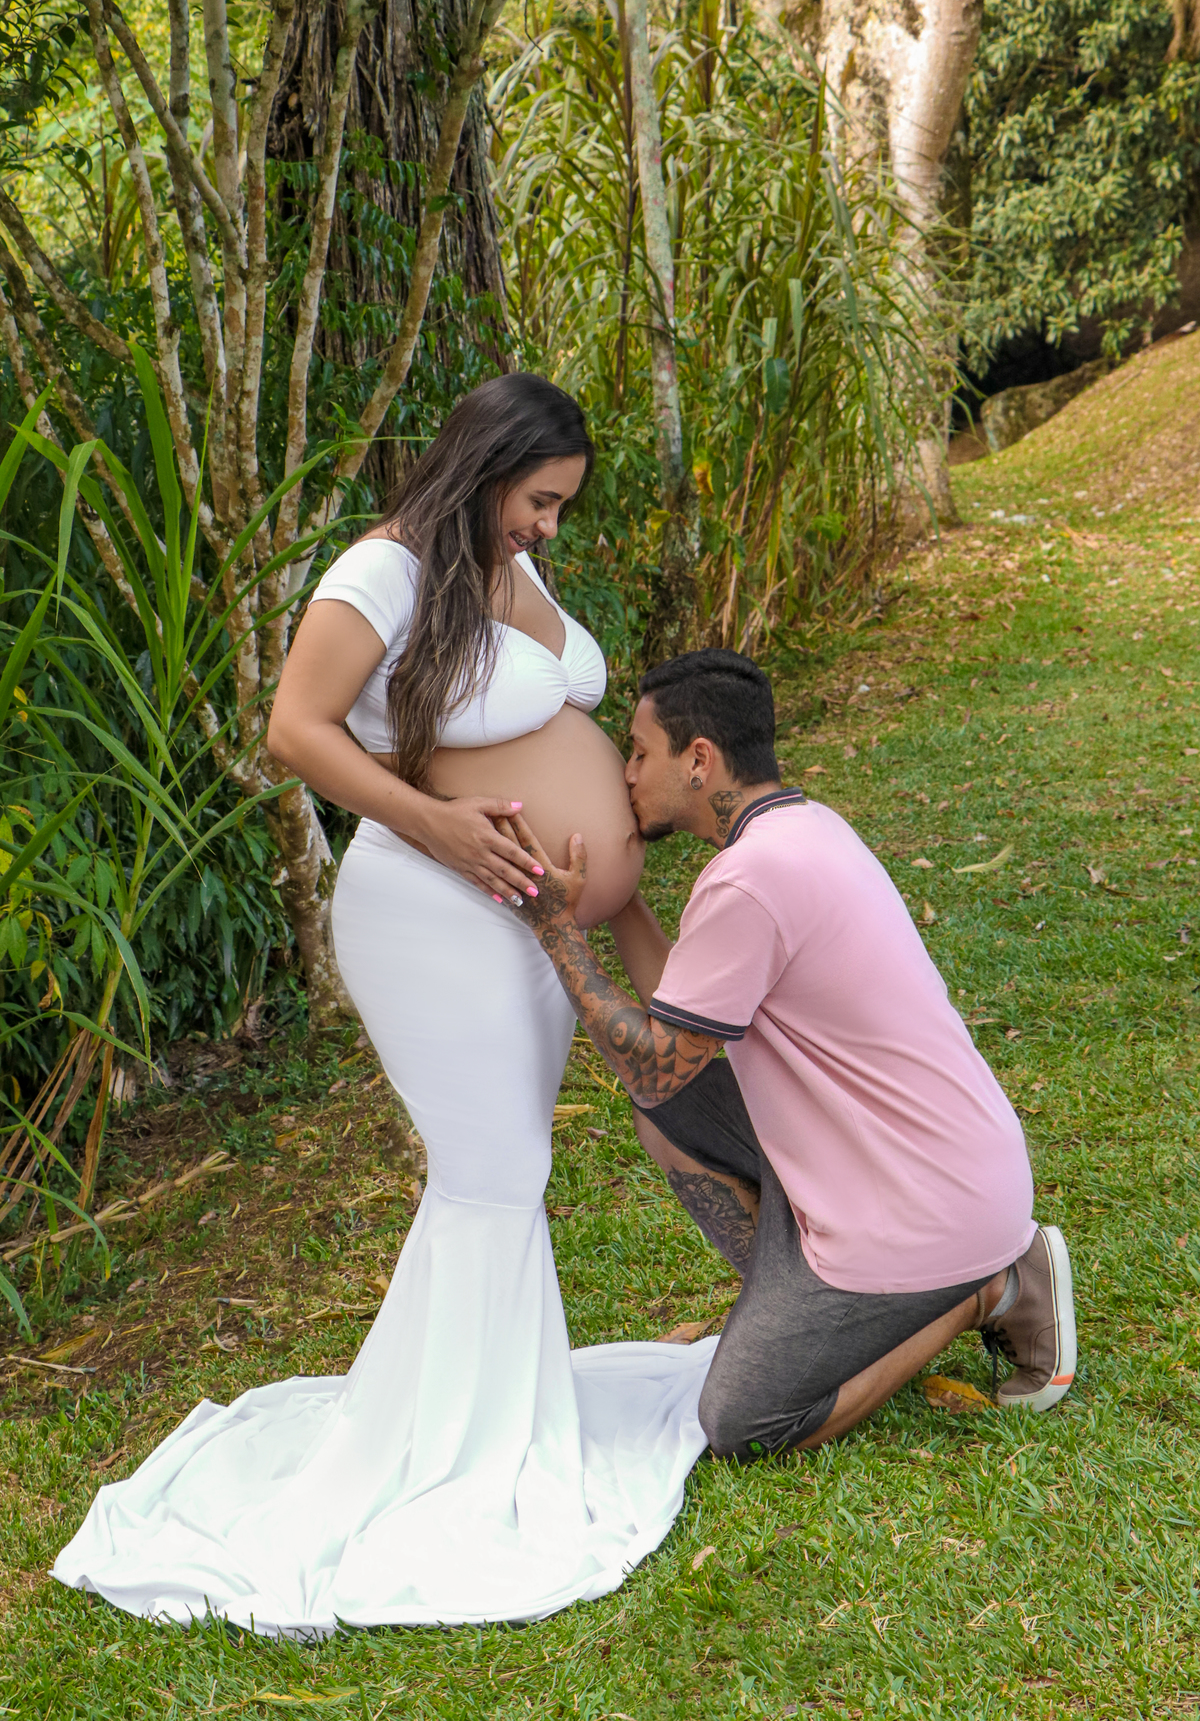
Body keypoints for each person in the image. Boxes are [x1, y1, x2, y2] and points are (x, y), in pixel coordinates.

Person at [51, 375, 717, 1636]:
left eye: (562, 508)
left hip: (524, 920)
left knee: (504, 1176)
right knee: (494, 1173)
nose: (550, 527)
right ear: (487, 465)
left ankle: (470, 1416)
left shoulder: (499, 568)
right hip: (429, 906)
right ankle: (454, 1455)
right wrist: (439, 827)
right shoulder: (385, 572)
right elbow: (295, 730)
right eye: (540, 500)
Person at [507, 647, 1077, 1458]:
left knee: (744, 1425)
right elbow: (680, 1024)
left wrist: (559, 933)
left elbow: (650, 1060)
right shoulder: (802, 829)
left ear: (698, 760)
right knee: (669, 1111)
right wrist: (618, 891)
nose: (626, 774)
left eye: (638, 752)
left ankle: (987, 1287)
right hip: (912, 1159)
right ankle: (806, 1314)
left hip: (925, 1199)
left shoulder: (751, 880)